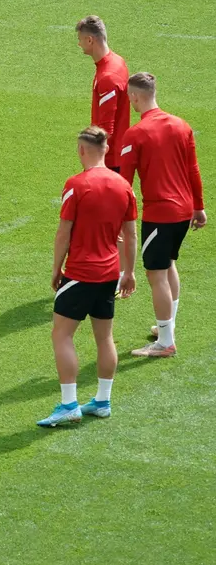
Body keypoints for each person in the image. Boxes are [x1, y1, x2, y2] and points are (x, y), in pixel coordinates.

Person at [38, 126, 136, 427]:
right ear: (106, 149)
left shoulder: (76, 184)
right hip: (108, 274)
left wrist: (57, 269)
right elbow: (130, 236)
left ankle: (69, 403)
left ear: (82, 150)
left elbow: (63, 233)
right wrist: (128, 272)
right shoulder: (123, 186)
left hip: (80, 273)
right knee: (104, 337)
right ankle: (103, 401)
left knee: (62, 334)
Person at [118, 73, 205, 358]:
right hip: (183, 212)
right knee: (168, 266)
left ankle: (165, 342)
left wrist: (117, 217)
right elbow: (193, 169)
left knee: (155, 274)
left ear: (135, 97)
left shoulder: (136, 133)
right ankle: (166, 326)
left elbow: (124, 183)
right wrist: (199, 207)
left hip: (160, 214)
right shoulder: (181, 125)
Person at [76, 16, 129, 171]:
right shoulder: (117, 61)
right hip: (115, 155)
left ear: (90, 40)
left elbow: (106, 129)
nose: (79, 44)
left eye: (80, 39)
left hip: (109, 161)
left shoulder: (108, 77)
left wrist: (95, 163)